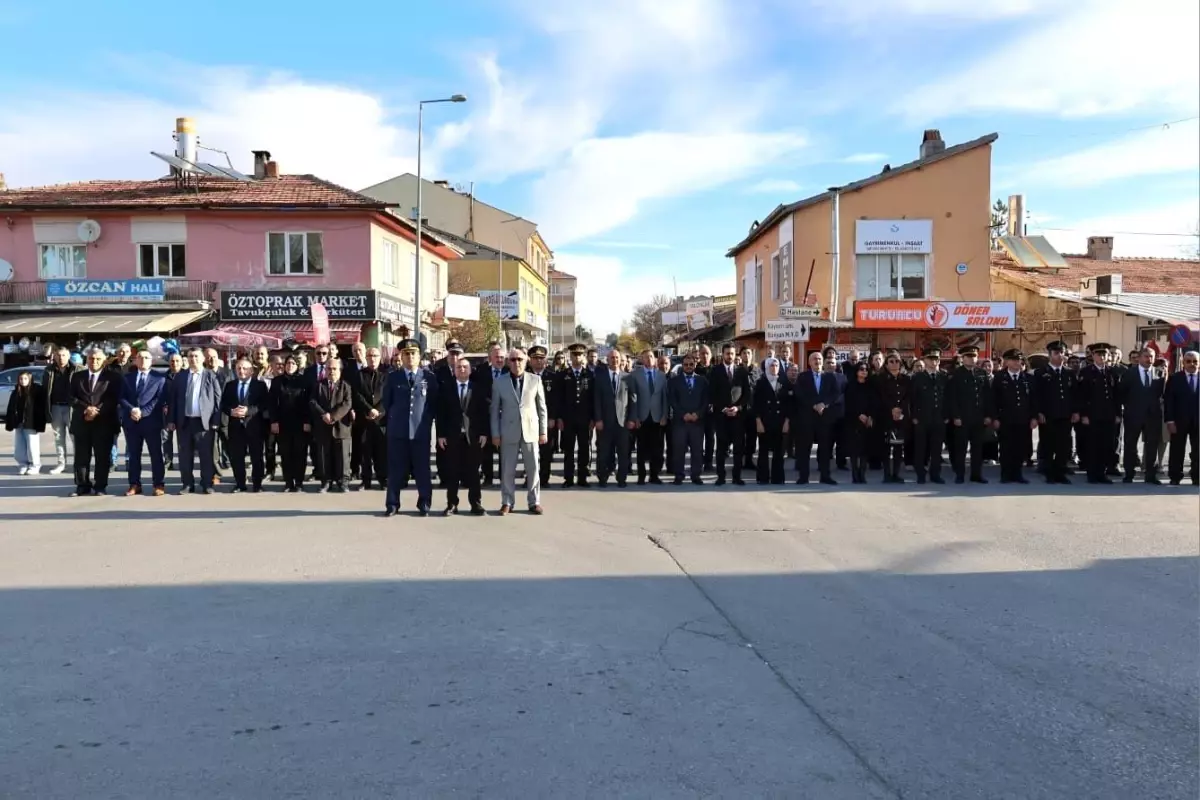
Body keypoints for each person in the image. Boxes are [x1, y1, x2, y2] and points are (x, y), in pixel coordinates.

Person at [383, 339, 439, 516]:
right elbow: (387, 402)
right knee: (396, 470)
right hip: (398, 432)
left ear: (419, 356)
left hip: (420, 432)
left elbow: (433, 403)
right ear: (401, 356)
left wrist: (427, 421)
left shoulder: (428, 377)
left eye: (413, 353)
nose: (410, 357)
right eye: (406, 354)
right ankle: (392, 504)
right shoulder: (393, 377)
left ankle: (424, 503)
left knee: (422, 470)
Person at [490, 347, 548, 514]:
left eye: (520, 359)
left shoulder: (535, 380)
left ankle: (534, 501)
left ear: (526, 361)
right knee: (508, 469)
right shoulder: (500, 382)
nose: (516, 363)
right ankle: (507, 501)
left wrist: (543, 431)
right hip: (508, 431)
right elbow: (494, 410)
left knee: (533, 468)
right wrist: (495, 433)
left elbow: (541, 408)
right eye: (513, 360)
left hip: (531, 430)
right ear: (509, 362)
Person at [436, 357, 487, 515]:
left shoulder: (478, 388)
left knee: (473, 472)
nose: (462, 370)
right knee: (452, 472)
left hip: (473, 436)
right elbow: (441, 414)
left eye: (465, 367)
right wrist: (440, 435)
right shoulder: (446, 388)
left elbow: (484, 413)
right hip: (453, 436)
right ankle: (452, 504)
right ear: (454, 370)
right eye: (459, 367)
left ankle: (475, 504)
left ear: (470, 370)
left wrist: (484, 433)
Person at [169, 348, 223, 495]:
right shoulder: (180, 376)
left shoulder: (210, 375)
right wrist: (171, 420)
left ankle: (207, 483)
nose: (193, 359)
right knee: (185, 455)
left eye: (196, 356)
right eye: (191, 356)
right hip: (184, 422)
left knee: (206, 455)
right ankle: (187, 484)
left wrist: (216, 420)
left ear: (203, 359)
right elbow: (173, 400)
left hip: (204, 423)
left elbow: (218, 399)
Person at [69, 348, 121, 496]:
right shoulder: (77, 376)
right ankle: (82, 485)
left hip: (104, 422)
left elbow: (113, 399)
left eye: (98, 359)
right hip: (82, 421)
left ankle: (100, 486)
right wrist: (86, 410)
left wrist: (97, 411)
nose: (94, 361)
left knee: (102, 456)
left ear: (103, 360)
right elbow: (72, 397)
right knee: (81, 457)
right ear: (87, 360)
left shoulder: (113, 377)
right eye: (91, 358)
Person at [120, 349, 168, 496]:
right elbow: (121, 397)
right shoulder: (127, 378)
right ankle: (134, 484)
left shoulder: (159, 378)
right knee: (134, 455)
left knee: (156, 454)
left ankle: (158, 484)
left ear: (151, 361)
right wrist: (132, 410)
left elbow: (159, 399)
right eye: (140, 357)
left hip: (151, 422)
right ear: (135, 360)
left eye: (146, 358)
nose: (143, 360)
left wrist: (143, 412)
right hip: (131, 421)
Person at [794, 351, 843, 485]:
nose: (817, 361)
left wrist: (824, 404)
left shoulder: (829, 377)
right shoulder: (803, 377)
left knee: (825, 449)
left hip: (824, 418)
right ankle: (803, 477)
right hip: (808, 418)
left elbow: (835, 393)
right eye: (814, 359)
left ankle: (825, 476)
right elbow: (799, 394)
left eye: (820, 359)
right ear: (809, 362)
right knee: (805, 449)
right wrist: (813, 405)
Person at [220, 357, 269, 493]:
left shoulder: (259, 385)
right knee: (237, 457)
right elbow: (223, 404)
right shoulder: (230, 385)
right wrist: (231, 411)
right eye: (239, 368)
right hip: (235, 427)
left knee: (257, 456)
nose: (241, 371)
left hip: (254, 426)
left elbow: (263, 404)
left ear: (251, 371)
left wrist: (248, 411)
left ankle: (257, 484)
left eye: (245, 368)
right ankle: (240, 483)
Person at [1118, 346, 1165, 484]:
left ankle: (1150, 475)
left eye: (1151, 356)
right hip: (1133, 415)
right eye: (1146, 356)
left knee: (1152, 446)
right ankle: (1129, 473)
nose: (1149, 359)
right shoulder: (1130, 373)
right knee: (1130, 445)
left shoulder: (1159, 373)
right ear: (1139, 357)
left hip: (1152, 416)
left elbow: (1161, 394)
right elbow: (1122, 392)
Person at [1075, 344, 1120, 484]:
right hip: (1092, 415)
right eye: (1098, 354)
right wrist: (1084, 415)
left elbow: (1116, 395)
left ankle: (1102, 473)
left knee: (1106, 445)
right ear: (1093, 356)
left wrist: (1118, 414)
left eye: (1104, 355)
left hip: (1108, 415)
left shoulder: (1112, 372)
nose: (1101, 357)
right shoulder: (1086, 372)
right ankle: (1092, 474)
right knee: (1093, 445)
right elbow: (1081, 396)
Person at [992, 349, 1038, 484]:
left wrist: (1034, 417)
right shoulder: (1000, 378)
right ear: (1007, 361)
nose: (1017, 362)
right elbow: (993, 399)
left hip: (1023, 419)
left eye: (1019, 359)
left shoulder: (1028, 378)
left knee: (1020, 448)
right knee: (1006, 448)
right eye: (1014, 360)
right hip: (1005, 419)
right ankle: (1005, 474)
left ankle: (1018, 473)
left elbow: (1034, 400)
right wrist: (995, 418)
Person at [947, 345, 992, 484]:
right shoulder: (956, 374)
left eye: (974, 356)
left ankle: (976, 474)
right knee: (960, 448)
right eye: (968, 356)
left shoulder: (981, 373)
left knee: (977, 449)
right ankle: (960, 474)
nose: (972, 359)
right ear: (963, 358)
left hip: (978, 417)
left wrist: (988, 415)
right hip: (962, 418)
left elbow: (987, 396)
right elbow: (952, 398)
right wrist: (955, 416)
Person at [1033, 341, 1076, 484]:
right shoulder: (1041, 372)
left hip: (1065, 415)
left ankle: (1060, 472)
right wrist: (1038, 412)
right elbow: (1036, 395)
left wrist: (1075, 411)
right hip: (1048, 415)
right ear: (1050, 355)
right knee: (1048, 445)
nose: (1060, 356)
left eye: (1062, 353)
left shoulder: (1069, 373)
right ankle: (1049, 473)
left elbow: (1075, 394)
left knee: (1063, 446)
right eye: (1056, 353)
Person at [709, 342, 751, 486]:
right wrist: (723, 409)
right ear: (723, 354)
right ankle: (721, 477)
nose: (730, 356)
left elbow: (747, 394)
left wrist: (738, 408)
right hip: (721, 417)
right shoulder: (715, 371)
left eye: (732, 354)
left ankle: (737, 477)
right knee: (721, 450)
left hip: (738, 418)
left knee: (738, 450)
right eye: (727, 353)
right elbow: (712, 394)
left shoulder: (742, 371)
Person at [309, 357, 353, 493]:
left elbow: (347, 404)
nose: (331, 371)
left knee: (343, 457)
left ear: (339, 370)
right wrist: (323, 414)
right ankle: (326, 481)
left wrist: (333, 417)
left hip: (341, 427)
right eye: (329, 368)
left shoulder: (345, 386)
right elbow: (312, 402)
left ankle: (343, 482)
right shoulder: (319, 385)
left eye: (334, 369)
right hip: (323, 426)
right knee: (324, 455)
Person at [555, 343, 596, 488]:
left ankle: (582, 478)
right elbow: (558, 398)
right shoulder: (563, 375)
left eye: (580, 354)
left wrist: (593, 418)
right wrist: (559, 417)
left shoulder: (590, 375)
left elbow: (593, 399)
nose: (577, 357)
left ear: (584, 356)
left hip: (585, 419)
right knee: (568, 450)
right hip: (568, 419)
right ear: (570, 356)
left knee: (584, 448)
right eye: (574, 354)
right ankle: (568, 478)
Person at [593, 348, 635, 487]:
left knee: (623, 453)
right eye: (612, 358)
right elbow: (596, 400)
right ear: (607, 360)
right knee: (603, 452)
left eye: (617, 358)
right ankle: (602, 478)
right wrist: (598, 419)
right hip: (605, 422)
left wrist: (631, 419)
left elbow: (632, 400)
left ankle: (621, 478)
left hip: (622, 422)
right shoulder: (600, 377)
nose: (615, 360)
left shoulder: (628, 377)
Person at [269, 354, 311, 493]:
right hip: (283, 423)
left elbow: (308, 403)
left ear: (297, 366)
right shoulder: (277, 381)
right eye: (288, 363)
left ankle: (299, 482)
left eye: (293, 363)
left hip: (300, 423)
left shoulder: (304, 381)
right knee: (286, 453)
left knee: (300, 453)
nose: (290, 366)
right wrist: (274, 421)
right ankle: (288, 482)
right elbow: (272, 404)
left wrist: (307, 421)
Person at [351, 347, 389, 491]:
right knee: (364, 452)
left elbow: (388, 396)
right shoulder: (359, 375)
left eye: (375, 356)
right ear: (366, 358)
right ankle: (365, 480)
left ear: (380, 357)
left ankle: (382, 478)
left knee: (381, 452)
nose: (372, 358)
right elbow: (357, 395)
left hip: (381, 419)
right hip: (364, 419)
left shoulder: (387, 375)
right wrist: (368, 409)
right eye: (370, 356)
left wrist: (378, 411)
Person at [668, 352, 709, 485]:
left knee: (697, 451)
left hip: (697, 422)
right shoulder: (674, 381)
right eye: (685, 364)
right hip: (680, 422)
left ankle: (696, 475)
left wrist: (698, 414)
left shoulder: (702, 381)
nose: (688, 366)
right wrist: (683, 414)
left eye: (691, 364)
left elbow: (706, 400)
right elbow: (672, 400)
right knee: (679, 450)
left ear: (695, 365)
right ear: (682, 365)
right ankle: (678, 476)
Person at [910, 347, 949, 484]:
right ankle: (921, 474)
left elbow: (948, 398)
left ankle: (935, 474)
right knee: (920, 448)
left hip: (939, 418)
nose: (934, 362)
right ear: (925, 360)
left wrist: (946, 416)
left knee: (937, 449)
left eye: (937, 359)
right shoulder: (918, 377)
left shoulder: (943, 376)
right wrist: (914, 416)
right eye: (931, 359)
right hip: (922, 418)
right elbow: (912, 398)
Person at [630, 349, 668, 485]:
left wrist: (665, 415)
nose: (649, 359)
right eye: (646, 357)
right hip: (642, 417)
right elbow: (633, 398)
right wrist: (635, 417)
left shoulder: (661, 376)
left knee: (657, 449)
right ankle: (641, 475)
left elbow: (665, 398)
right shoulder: (635, 375)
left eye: (651, 357)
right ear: (642, 359)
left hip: (657, 417)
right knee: (641, 449)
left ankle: (654, 475)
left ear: (655, 359)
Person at [472, 342, 507, 487]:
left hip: (505, 415)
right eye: (497, 357)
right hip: (486, 414)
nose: (500, 360)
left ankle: (504, 477)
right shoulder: (480, 371)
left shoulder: (509, 371)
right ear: (490, 358)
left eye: (502, 357)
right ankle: (488, 477)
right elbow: (477, 392)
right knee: (486, 448)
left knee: (504, 449)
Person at [1164, 349, 1199, 486]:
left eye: (1195, 361)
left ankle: (1197, 476)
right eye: (1188, 361)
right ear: (1183, 363)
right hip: (1178, 421)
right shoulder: (1175, 379)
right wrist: (1170, 420)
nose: (1192, 364)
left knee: (1198, 451)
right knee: (1177, 450)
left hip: (1198, 421)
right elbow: (1169, 401)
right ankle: (1175, 476)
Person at [752, 357, 789, 484]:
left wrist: (787, 421)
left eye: (776, 365)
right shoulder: (760, 382)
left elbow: (788, 404)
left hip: (780, 422)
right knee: (763, 451)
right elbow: (755, 404)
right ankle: (762, 478)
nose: (774, 368)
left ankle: (777, 478)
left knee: (779, 452)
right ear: (767, 367)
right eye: (772, 366)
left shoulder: (783, 382)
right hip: (765, 421)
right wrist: (758, 421)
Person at [876, 351, 911, 484]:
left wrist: (900, 408)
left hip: (901, 417)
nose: (894, 363)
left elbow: (908, 396)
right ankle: (887, 474)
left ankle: (896, 474)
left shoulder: (906, 379)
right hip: (886, 416)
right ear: (886, 364)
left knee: (898, 447)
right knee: (886, 446)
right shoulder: (881, 379)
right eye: (891, 361)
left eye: (897, 361)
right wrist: (892, 408)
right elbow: (881, 396)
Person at [526, 345, 558, 488]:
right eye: (535, 358)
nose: (538, 361)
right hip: (528, 420)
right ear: (530, 360)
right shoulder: (524, 376)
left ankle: (544, 479)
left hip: (547, 420)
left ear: (545, 360)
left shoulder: (552, 377)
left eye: (541, 358)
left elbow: (557, 400)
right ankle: (530, 478)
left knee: (546, 451)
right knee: (529, 452)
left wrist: (553, 418)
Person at [43, 346, 77, 475]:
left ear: (69, 356)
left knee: (75, 436)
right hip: (55, 407)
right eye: (58, 355)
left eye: (63, 355)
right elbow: (44, 390)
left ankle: (77, 464)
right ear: (54, 356)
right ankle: (61, 463)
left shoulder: (76, 369)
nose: (61, 358)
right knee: (58, 438)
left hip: (72, 408)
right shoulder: (49, 370)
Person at [6, 370, 46, 474]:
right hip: (19, 422)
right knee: (19, 446)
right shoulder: (16, 391)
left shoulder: (36, 391)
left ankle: (35, 464)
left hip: (31, 423)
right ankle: (23, 464)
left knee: (32, 445)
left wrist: (40, 423)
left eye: (25, 379)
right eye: (21, 379)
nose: (23, 381)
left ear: (30, 379)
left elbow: (40, 408)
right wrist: (10, 422)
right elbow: (11, 407)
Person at [843, 362, 875, 484]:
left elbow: (874, 402)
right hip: (853, 421)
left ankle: (862, 474)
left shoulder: (870, 386)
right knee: (854, 450)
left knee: (865, 449)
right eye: (861, 369)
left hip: (867, 421)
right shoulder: (850, 385)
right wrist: (858, 414)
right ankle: (855, 475)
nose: (864, 371)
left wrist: (870, 416)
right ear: (856, 371)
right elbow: (848, 403)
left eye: (866, 369)